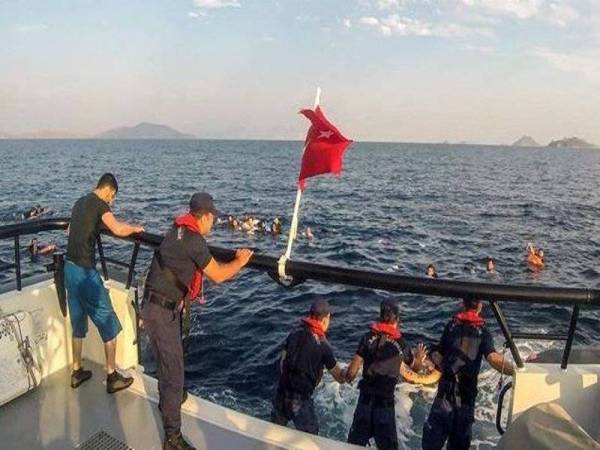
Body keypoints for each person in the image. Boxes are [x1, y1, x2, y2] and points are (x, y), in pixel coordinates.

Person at [142, 192, 253, 450]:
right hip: (162, 312)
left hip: (153, 305)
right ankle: (172, 438)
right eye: (213, 217)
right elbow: (218, 275)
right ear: (204, 217)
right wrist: (240, 260)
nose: (214, 222)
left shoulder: (176, 230)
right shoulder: (194, 241)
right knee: (175, 371)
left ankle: (168, 399)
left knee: (167, 361)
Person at [64, 173, 144, 393]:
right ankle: (112, 376)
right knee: (109, 322)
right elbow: (117, 229)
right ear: (110, 190)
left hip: (68, 268)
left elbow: (69, 230)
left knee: (78, 323)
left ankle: (77, 371)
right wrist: (135, 228)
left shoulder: (79, 201)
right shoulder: (100, 205)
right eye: (113, 197)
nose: (112, 202)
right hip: (84, 273)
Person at [422, 297, 514, 450]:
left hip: (444, 397)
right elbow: (493, 358)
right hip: (465, 401)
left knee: (430, 445)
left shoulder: (451, 326)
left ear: (462, 305)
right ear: (480, 307)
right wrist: (517, 370)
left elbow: (439, 354)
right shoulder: (483, 331)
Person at [345, 300, 428, 450]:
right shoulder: (401, 344)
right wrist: (420, 356)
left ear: (380, 317)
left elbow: (351, 373)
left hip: (364, 405)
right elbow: (415, 367)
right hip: (384, 409)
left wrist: (344, 375)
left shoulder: (366, 338)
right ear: (397, 320)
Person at [272, 298, 346, 435]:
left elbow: (282, 363)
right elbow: (340, 378)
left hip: (281, 393)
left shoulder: (293, 334)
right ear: (325, 319)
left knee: (275, 433)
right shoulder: (324, 346)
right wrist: (354, 368)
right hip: (300, 400)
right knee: (311, 438)